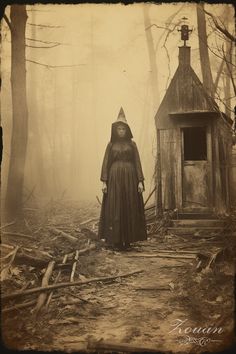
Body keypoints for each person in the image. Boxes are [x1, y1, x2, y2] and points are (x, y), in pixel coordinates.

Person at [98, 107, 147, 250]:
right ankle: (116, 241)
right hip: (114, 180)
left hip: (131, 178)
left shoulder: (132, 144)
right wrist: (104, 182)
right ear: (115, 130)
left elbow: (137, 162)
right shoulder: (111, 145)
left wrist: (140, 181)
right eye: (119, 129)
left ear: (127, 130)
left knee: (129, 206)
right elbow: (106, 162)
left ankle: (128, 240)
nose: (121, 131)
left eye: (123, 129)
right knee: (116, 206)